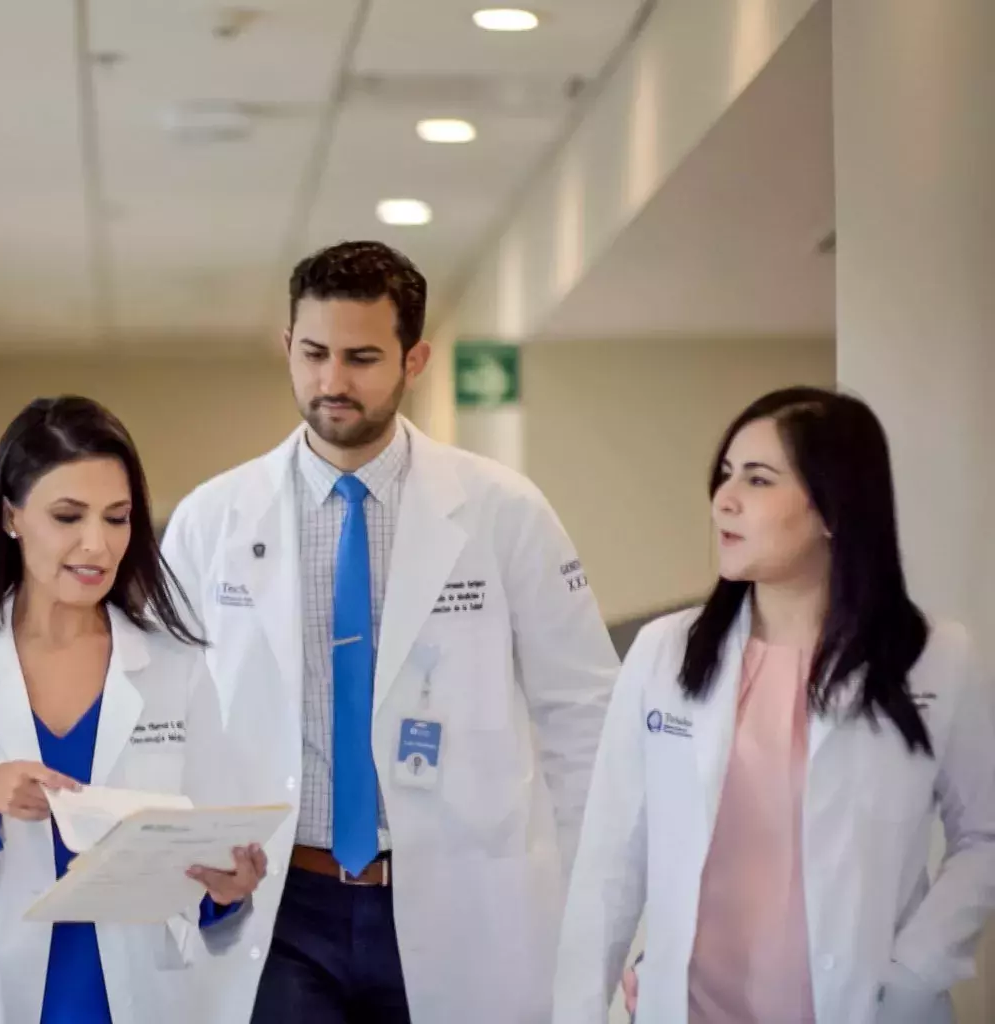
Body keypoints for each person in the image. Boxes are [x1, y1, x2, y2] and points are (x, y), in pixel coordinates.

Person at [162, 241, 620, 1022]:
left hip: (459, 901)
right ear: (287, 346)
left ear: (414, 359)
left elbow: (584, 719)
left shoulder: (502, 512)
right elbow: (163, 718)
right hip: (280, 906)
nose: (332, 382)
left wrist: (590, 911)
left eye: (363, 357)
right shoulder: (213, 519)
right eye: (313, 353)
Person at [554, 387, 995, 1024]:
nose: (723, 500)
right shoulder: (663, 653)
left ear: (833, 510)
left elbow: (984, 835)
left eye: (758, 480)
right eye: (725, 476)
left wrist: (915, 969)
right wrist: (577, 1010)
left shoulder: (935, 658)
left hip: (865, 1008)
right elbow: (609, 860)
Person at [0, 396, 268, 1024]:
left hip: (135, 996)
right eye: (68, 516)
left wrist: (225, 894)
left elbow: (211, 839)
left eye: (116, 518)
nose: (97, 544)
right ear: (11, 516)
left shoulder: (175, 665)